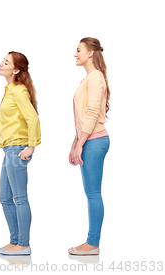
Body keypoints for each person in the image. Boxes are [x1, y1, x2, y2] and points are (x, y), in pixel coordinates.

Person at [0, 52, 40, 256]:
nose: (1, 64)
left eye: (6, 62)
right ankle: (15, 242)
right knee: (4, 196)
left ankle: (23, 244)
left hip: (17, 149)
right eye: (2, 61)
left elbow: (33, 119)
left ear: (16, 69)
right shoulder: (10, 90)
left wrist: (31, 146)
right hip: (9, 149)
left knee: (20, 197)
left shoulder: (19, 91)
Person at [68, 37, 110, 256]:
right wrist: (75, 143)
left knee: (93, 193)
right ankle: (92, 242)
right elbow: (84, 115)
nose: (75, 54)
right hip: (90, 140)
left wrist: (80, 143)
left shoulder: (95, 78)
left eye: (78, 50)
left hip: (94, 141)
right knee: (91, 193)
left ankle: (92, 243)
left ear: (90, 53)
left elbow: (93, 114)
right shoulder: (90, 78)